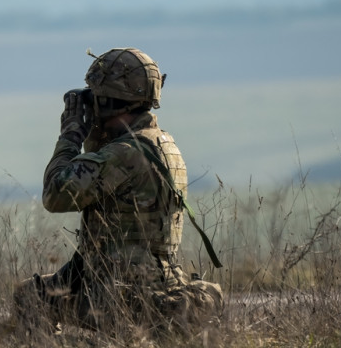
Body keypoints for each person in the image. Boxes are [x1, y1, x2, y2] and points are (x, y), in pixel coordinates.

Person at [13, 47, 223, 339]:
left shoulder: (125, 154)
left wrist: (71, 134)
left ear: (110, 101)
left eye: (95, 97)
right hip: (153, 285)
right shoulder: (160, 144)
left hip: (127, 298)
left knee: (31, 298)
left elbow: (55, 195)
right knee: (37, 292)